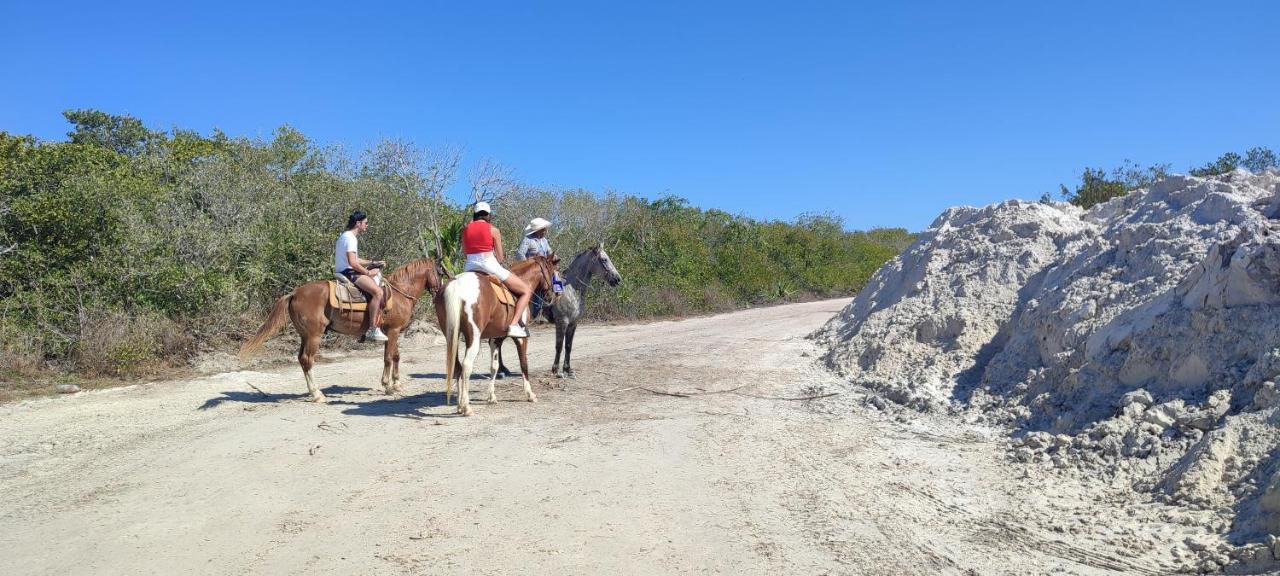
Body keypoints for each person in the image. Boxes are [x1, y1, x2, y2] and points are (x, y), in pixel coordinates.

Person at [462, 202, 531, 338]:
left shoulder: (465, 229)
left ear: (475, 215)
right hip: (489, 266)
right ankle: (514, 325)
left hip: (469, 267)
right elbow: (500, 257)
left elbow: (465, 252)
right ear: (488, 215)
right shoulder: (493, 230)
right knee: (525, 291)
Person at [336, 210, 388, 342]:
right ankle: (372, 329)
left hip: (344, 270)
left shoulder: (344, 236)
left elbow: (356, 259)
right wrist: (368, 272)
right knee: (377, 292)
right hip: (349, 272)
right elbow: (353, 263)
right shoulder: (351, 238)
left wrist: (373, 262)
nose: (367, 225)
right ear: (358, 223)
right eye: (365, 222)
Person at [515, 217, 562, 319]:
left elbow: (549, 251)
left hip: (545, 267)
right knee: (540, 285)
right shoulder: (528, 240)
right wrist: (528, 263)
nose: (545, 231)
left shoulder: (544, 240)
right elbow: (520, 254)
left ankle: (558, 302)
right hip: (534, 269)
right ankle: (536, 312)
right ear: (537, 230)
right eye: (543, 229)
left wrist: (556, 258)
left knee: (557, 276)